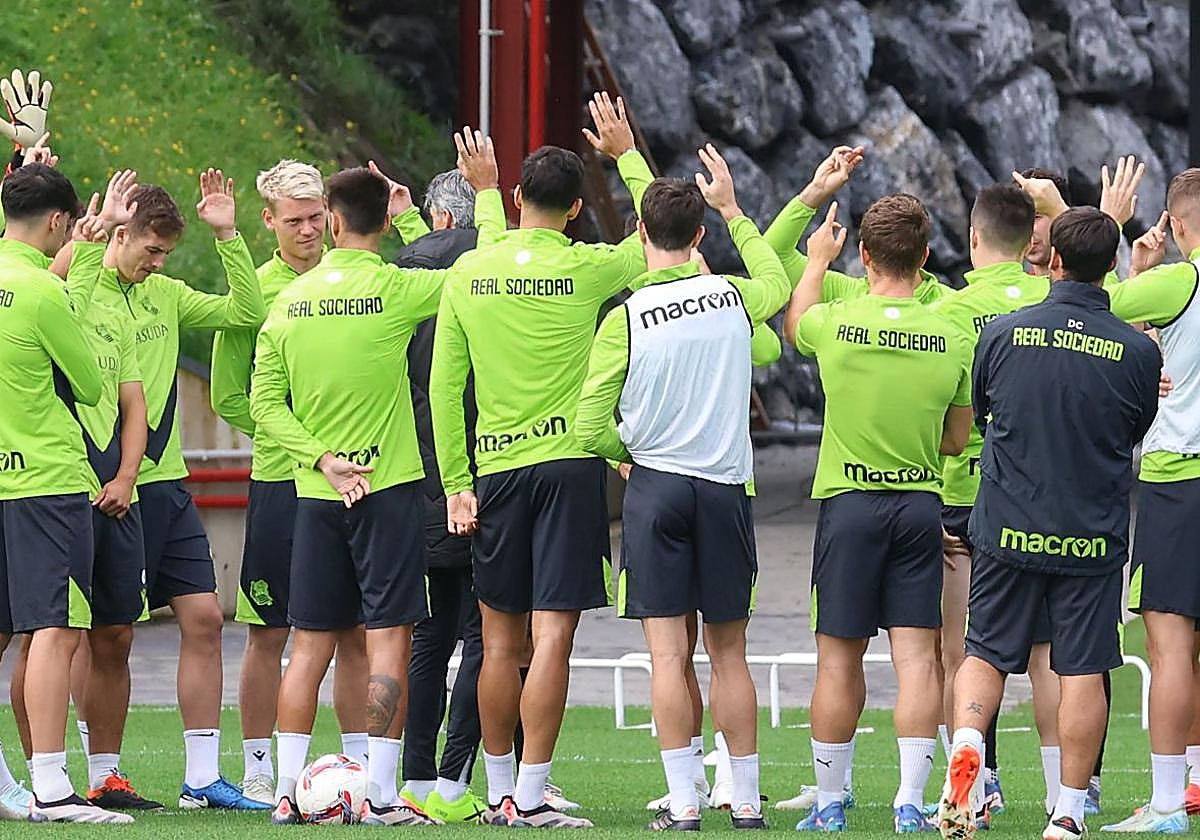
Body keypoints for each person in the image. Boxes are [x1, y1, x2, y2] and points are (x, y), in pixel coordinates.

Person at [429, 92, 653, 828]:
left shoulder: (469, 272)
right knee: (553, 636)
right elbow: (661, 235)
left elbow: (443, 387)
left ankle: (496, 793)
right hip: (568, 467)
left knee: (497, 642)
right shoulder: (590, 268)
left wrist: (457, 485)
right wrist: (626, 155)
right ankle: (531, 794)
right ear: (579, 211)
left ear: (520, 196)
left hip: (494, 469)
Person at [577, 146, 788, 830]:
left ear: (640, 236)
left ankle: (687, 800)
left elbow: (589, 425)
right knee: (730, 653)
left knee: (667, 655)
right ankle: (748, 798)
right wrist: (734, 208)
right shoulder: (730, 296)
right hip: (724, 486)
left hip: (658, 485)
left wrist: (624, 457)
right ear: (699, 238)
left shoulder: (626, 317)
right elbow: (778, 282)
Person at [939, 206, 1160, 840]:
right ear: (1112, 266)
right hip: (1090, 531)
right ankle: (1067, 809)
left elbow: (983, 416)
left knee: (984, 650)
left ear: (1052, 261)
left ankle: (968, 749)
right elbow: (1133, 430)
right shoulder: (1137, 351)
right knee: (1080, 666)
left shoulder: (1002, 334)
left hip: (1007, 521)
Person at [249, 164, 448, 826]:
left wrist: (320, 459)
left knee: (307, 647)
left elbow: (262, 405)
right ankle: (384, 795)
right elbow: (473, 274)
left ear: (330, 220)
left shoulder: (289, 302)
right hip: (386, 490)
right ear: (383, 221)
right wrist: (413, 218)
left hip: (315, 492)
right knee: (389, 639)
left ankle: (283, 791)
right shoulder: (395, 288)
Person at [783, 194, 974, 834]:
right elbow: (955, 439)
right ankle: (910, 802)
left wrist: (816, 260)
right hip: (920, 502)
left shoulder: (837, 321)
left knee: (837, 659)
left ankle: (831, 801)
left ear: (862, 255)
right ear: (925, 256)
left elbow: (795, 321)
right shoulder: (951, 332)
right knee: (919, 661)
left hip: (851, 504)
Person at [93, 173, 267, 810]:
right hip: (107, 488)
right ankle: (103, 774)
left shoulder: (164, 294)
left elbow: (245, 312)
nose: (157, 264)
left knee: (203, 619)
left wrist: (228, 236)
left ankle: (200, 779)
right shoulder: (82, 290)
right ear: (121, 233)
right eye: (151, 250)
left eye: (165, 254)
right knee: (110, 635)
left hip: (167, 488)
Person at [209, 159, 369, 805]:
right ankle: (257, 767)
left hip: (354, 478)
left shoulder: (351, 279)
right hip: (283, 480)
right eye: (294, 219)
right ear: (268, 221)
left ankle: (359, 768)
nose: (307, 230)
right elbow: (227, 394)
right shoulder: (256, 289)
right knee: (270, 630)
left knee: (356, 628)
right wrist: (299, 442)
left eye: (314, 218)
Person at [0, 163, 130, 823]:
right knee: (54, 627)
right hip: (45, 480)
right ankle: (51, 786)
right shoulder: (41, 291)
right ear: (57, 223)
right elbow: (86, 383)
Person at [387, 169, 488, 824]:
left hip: (418, 471)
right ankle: (461, 774)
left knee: (428, 637)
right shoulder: (495, 265)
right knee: (492, 636)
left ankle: (414, 774)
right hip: (489, 466)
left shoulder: (402, 272)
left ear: (437, 218)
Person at [1101, 168, 1200, 832]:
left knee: (1168, 647)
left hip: (1179, 478)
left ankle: (1167, 802)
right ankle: (1194, 782)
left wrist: (1120, 252)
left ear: (1180, 225)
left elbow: (1090, 309)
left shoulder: (1180, 279)